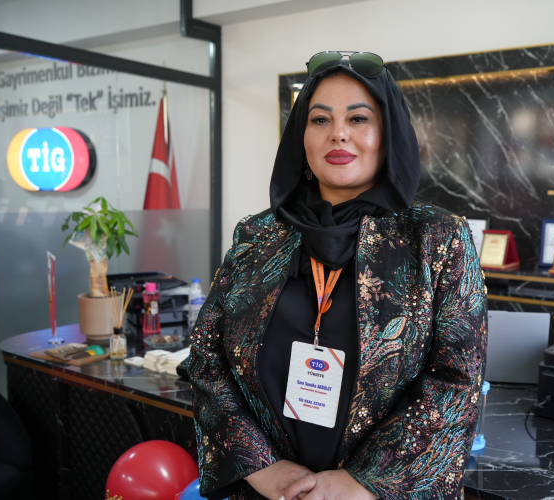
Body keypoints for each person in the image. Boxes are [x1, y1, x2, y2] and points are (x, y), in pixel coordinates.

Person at [189, 51, 487, 500]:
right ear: (302, 137)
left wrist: (363, 482)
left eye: (359, 118)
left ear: (389, 134)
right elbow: (207, 358)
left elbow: (456, 380)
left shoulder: (436, 238)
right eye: (320, 119)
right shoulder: (258, 236)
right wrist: (261, 466)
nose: (338, 133)